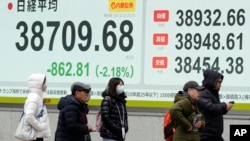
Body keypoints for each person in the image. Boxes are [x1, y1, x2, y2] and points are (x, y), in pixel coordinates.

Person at [197, 69, 234, 141]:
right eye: (218, 82)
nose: (220, 84)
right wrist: (224, 106)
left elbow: (215, 111)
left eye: (221, 82)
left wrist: (225, 109)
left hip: (214, 135)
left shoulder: (212, 93)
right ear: (212, 80)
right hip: (206, 135)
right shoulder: (204, 92)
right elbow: (210, 108)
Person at [25, 73, 51, 141]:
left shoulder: (37, 97)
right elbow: (29, 116)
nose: (45, 85)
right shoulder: (34, 97)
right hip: (34, 135)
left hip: (36, 134)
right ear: (38, 84)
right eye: (44, 83)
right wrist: (40, 127)